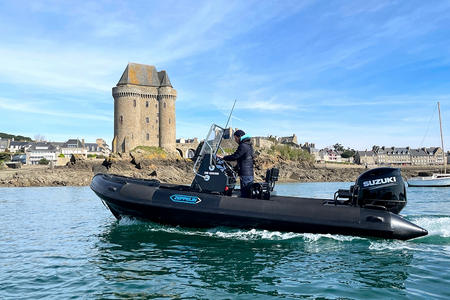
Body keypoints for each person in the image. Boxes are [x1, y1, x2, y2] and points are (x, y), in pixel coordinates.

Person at [219, 129, 254, 198]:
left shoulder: (243, 145)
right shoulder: (248, 145)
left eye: (235, 138)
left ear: (239, 137)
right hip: (249, 172)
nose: (235, 140)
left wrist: (223, 157)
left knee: (245, 193)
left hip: (245, 173)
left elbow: (235, 156)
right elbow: (243, 158)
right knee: (247, 191)